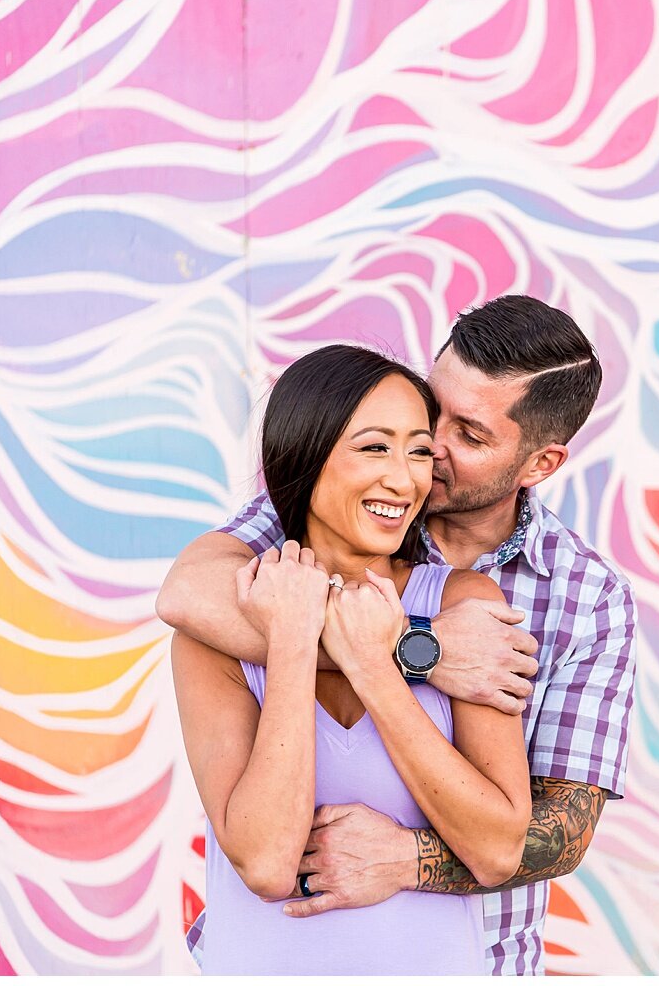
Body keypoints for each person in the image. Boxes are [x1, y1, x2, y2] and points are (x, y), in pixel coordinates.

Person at [157, 296, 637, 975]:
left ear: (538, 464)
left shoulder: (586, 601)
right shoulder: (325, 504)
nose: (425, 455)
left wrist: (410, 859)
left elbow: (557, 831)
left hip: (477, 956)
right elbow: (186, 595)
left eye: (468, 436)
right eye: (429, 412)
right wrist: (420, 649)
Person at [170, 344, 532, 974]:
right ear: (306, 456)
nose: (404, 478)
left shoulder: (465, 605)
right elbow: (266, 862)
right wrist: (290, 637)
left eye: (419, 451)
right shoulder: (218, 626)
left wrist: (375, 666)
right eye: (374, 447)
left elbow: (498, 851)